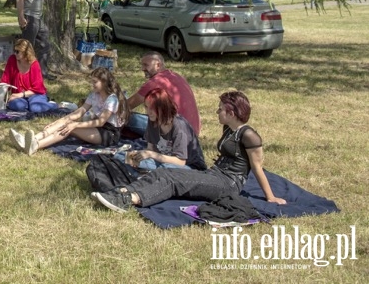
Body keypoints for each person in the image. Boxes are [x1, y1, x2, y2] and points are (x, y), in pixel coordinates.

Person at [92, 91, 287, 212]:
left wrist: (270, 197)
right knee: (163, 172)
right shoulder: (229, 129)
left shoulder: (250, 135)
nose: (217, 112)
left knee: (171, 178)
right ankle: (121, 192)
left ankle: (129, 199)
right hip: (214, 175)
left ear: (231, 113)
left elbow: (257, 167)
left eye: (220, 109)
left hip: (228, 184)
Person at [11, 67, 128, 156]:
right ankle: (35, 138)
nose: (92, 85)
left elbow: (101, 122)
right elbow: (80, 111)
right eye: (91, 82)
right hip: (98, 127)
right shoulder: (94, 95)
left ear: (104, 82)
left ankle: (35, 146)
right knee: (66, 124)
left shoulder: (112, 99)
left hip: (109, 133)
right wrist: (59, 121)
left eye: (95, 82)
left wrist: (74, 124)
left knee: (70, 128)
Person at [123, 88, 207, 171]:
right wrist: (141, 155)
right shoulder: (153, 120)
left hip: (189, 167)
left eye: (152, 108)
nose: (148, 112)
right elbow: (150, 149)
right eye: (146, 107)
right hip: (162, 160)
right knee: (125, 158)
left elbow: (181, 161)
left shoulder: (179, 127)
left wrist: (151, 154)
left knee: (164, 169)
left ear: (163, 107)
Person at [126, 51, 200, 136]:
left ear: (158, 65)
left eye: (146, 65)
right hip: (193, 131)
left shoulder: (156, 82)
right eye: (142, 65)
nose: (142, 68)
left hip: (175, 133)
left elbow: (127, 106)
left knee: (127, 118)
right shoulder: (175, 76)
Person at [1, 39, 57, 113]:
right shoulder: (12, 59)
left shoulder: (34, 64)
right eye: (14, 51)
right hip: (19, 95)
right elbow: (6, 78)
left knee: (35, 108)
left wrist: (21, 95)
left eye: (17, 52)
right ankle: (30, 105)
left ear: (25, 52)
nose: (15, 53)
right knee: (15, 105)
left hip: (35, 94)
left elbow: (38, 88)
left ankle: (55, 105)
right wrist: (0, 90)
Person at [17, 0, 51, 79]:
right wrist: (21, 17)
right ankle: (23, 73)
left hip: (37, 18)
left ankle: (42, 72)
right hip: (29, 18)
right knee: (27, 47)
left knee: (45, 43)